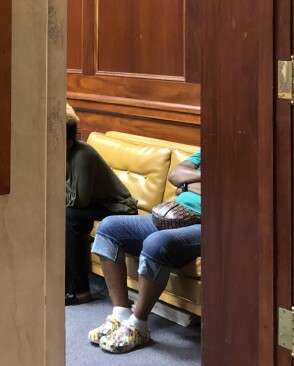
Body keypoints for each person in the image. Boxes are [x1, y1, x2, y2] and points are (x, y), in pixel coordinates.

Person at [87, 149, 202, 354]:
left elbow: (228, 191)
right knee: (108, 228)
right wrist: (200, 180)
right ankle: (121, 313)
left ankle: (139, 325)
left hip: (208, 224)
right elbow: (175, 174)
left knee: (155, 243)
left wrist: (186, 185)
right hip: (173, 214)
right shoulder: (211, 147)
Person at [65, 104, 138, 306]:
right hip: (94, 206)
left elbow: (78, 200)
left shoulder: (82, 155)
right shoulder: (63, 154)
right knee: (65, 217)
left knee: (68, 216)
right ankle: (66, 286)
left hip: (119, 208)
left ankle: (80, 290)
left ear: (70, 140)